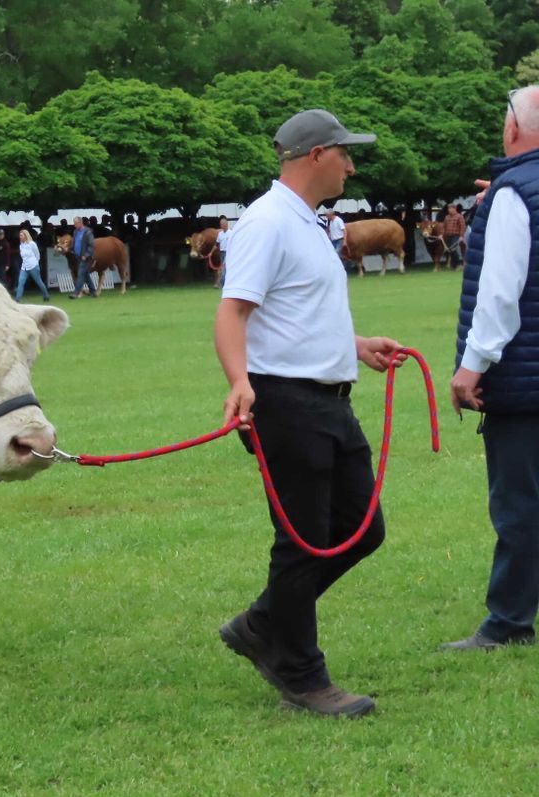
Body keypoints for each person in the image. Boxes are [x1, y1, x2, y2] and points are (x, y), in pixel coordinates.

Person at [214, 109, 404, 717]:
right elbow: (232, 314)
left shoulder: (309, 224)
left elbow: (293, 314)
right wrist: (240, 383)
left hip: (328, 399)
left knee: (360, 528)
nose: (352, 165)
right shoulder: (267, 223)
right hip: (287, 403)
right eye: (346, 153)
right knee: (301, 545)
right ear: (317, 155)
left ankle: (263, 623)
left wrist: (355, 346)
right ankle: (300, 673)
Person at [443, 85, 539, 651]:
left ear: (512, 131)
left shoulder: (514, 194)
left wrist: (472, 365)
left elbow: (500, 294)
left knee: (520, 503)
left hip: (524, 383)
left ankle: (508, 623)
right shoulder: (511, 195)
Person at [14, 229, 50, 302]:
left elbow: (37, 254)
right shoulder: (21, 245)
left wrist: (36, 262)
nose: (20, 237)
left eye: (21, 235)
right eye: (20, 235)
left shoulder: (32, 244)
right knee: (21, 282)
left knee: (38, 282)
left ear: (25, 235)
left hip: (33, 266)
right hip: (24, 267)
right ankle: (17, 299)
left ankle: (46, 295)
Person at [70, 216, 96, 299]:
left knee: (80, 274)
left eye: (75, 223)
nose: (74, 225)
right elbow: (75, 243)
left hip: (85, 257)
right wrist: (71, 249)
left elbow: (91, 246)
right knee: (85, 275)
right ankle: (93, 291)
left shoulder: (88, 232)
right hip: (78, 256)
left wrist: (86, 255)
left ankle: (76, 293)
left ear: (80, 223)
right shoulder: (75, 232)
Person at [443, 203, 467, 268]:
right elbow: (444, 227)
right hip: (448, 236)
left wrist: (461, 236)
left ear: (454, 209)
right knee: (450, 251)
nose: (449, 210)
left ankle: (459, 264)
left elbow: (462, 227)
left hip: (456, 235)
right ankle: (454, 265)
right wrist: (442, 235)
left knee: (453, 249)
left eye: (450, 208)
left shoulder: (459, 216)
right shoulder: (446, 217)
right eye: (448, 208)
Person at [214, 216, 232, 288]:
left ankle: (221, 283)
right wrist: (211, 253)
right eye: (220, 224)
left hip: (228, 253)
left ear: (226, 224)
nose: (221, 226)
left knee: (224, 268)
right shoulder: (220, 234)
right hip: (221, 253)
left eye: (222, 224)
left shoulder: (231, 233)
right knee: (223, 268)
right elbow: (216, 244)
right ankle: (222, 283)